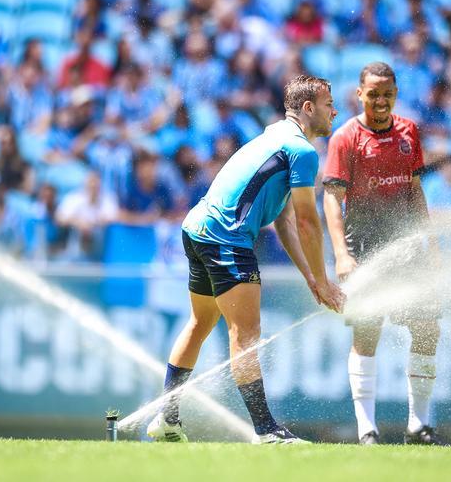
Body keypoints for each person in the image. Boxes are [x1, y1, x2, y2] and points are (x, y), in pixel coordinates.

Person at [147, 75, 345, 444]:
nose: (334, 110)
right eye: (328, 103)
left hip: (197, 230)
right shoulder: (301, 151)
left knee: (200, 323)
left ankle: (167, 419)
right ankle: (267, 431)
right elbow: (306, 220)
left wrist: (313, 280)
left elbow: (284, 221)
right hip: (227, 239)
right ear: (308, 108)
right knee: (246, 334)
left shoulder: (273, 137)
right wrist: (325, 279)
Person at [322, 62, 446, 445]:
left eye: (387, 93)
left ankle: (418, 424)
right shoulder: (344, 138)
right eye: (372, 93)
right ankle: (367, 430)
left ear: (396, 93)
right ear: (359, 94)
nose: (380, 99)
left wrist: (431, 243)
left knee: (427, 327)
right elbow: (332, 199)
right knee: (367, 331)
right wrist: (342, 255)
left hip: (407, 248)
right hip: (365, 249)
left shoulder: (409, 132)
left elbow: (415, 191)